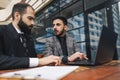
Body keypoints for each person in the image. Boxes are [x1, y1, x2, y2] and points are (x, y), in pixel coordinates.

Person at [0, 3, 61, 70]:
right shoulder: (2, 31)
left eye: (33, 19)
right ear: (17, 15)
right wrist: (39, 61)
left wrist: (45, 62)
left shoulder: (28, 38)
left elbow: (33, 60)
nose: (33, 23)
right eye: (30, 18)